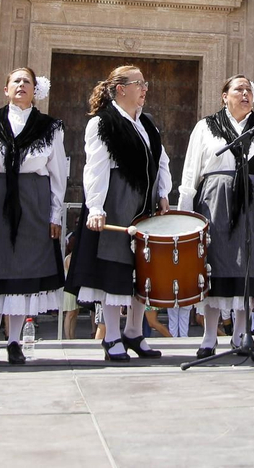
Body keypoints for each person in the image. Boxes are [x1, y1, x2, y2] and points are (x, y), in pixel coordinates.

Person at [63, 64, 172, 363]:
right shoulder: (102, 123)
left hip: (145, 205)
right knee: (114, 268)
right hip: (116, 201)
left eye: (145, 84)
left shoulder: (147, 123)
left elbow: (161, 160)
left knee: (141, 270)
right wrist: (96, 207)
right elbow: (95, 168)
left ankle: (134, 332)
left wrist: (163, 192)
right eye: (140, 84)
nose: (145, 89)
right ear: (121, 89)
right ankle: (111, 335)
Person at [0, 68, 68, 366]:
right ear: (6, 89)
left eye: (27, 82)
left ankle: (14, 341)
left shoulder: (50, 127)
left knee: (23, 269)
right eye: (16, 81)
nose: (21, 85)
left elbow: (58, 174)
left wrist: (55, 214)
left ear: (36, 90)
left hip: (33, 199)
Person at [182, 74, 254, 358]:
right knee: (215, 266)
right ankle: (209, 336)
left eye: (249, 90)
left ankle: (241, 333)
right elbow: (191, 172)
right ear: (224, 96)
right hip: (216, 203)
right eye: (239, 89)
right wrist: (186, 212)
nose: (245, 94)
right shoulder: (206, 127)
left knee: (247, 268)